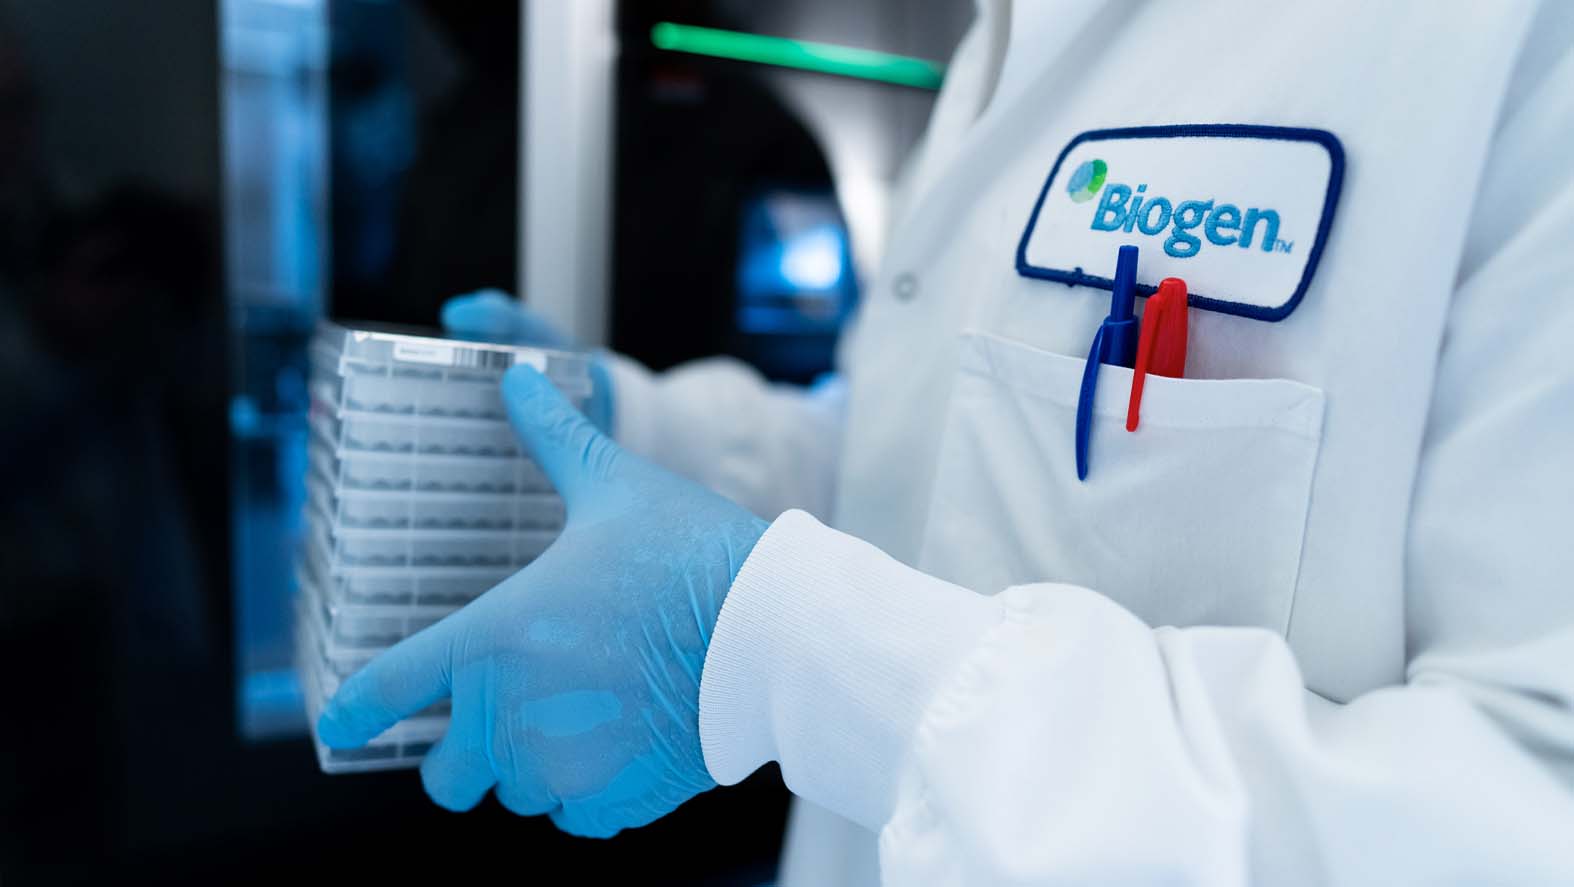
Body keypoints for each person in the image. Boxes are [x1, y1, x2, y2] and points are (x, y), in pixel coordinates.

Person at [318, 0, 1574, 882]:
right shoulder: (1000, 44)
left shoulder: (1509, 44)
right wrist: (654, 438)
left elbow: (1524, 814)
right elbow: (926, 458)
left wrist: (791, 656)